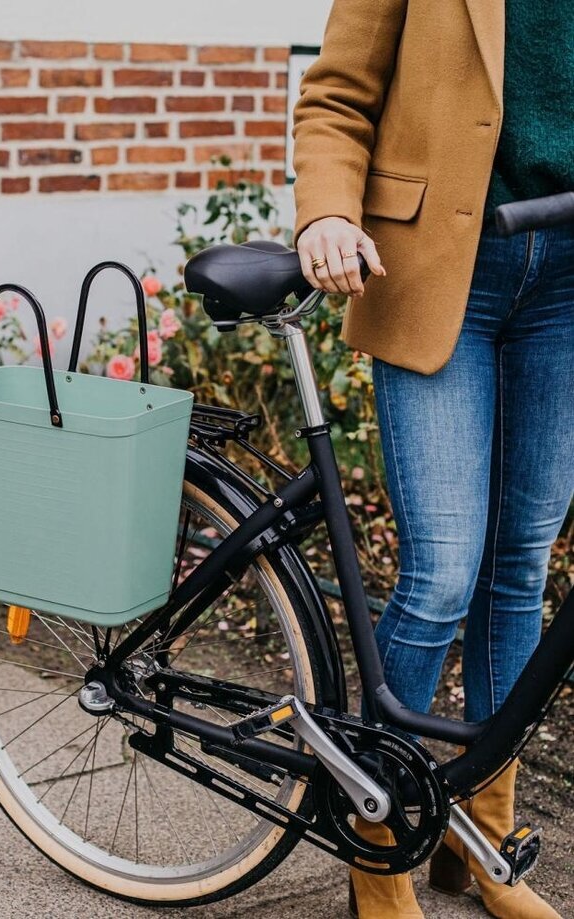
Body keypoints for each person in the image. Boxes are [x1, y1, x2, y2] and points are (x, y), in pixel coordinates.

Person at [291, 1, 573, 917]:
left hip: (569, 278)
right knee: (445, 567)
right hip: (437, 264)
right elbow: (336, 96)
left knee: (519, 566)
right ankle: (375, 831)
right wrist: (327, 212)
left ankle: (481, 835)